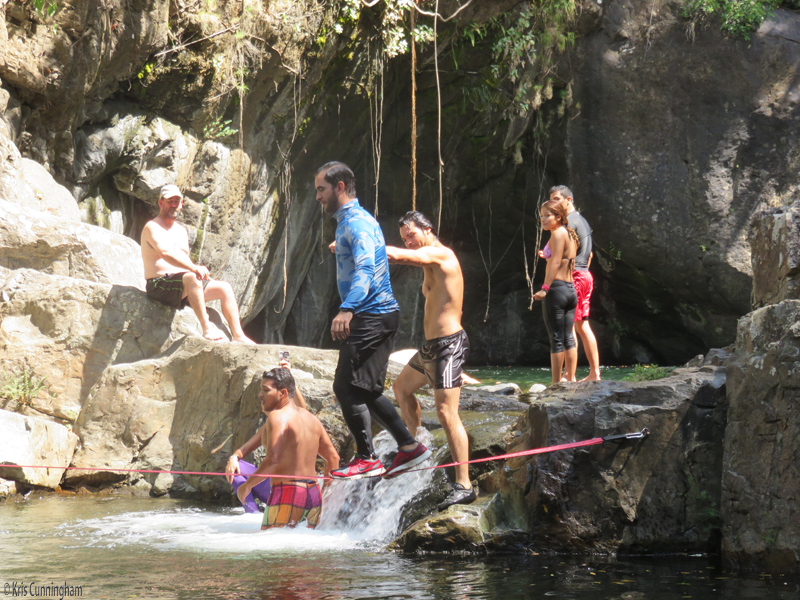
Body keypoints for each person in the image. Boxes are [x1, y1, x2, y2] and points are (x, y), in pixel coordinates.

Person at [314, 161, 430, 479]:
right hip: (378, 314)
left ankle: (367, 458)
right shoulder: (351, 223)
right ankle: (409, 446)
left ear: (340, 187)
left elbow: (366, 267)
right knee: (364, 388)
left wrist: (347, 308)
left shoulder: (356, 223)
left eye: (321, 189)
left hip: (371, 313)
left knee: (346, 385)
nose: (318, 196)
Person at [387, 211, 476, 511]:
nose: (409, 242)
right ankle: (413, 447)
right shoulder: (429, 259)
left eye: (412, 235)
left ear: (428, 229)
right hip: (431, 348)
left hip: (449, 345)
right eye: (404, 239)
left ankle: (464, 484)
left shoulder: (441, 254)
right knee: (401, 389)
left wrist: (361, 244)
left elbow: (399, 257)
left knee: (446, 412)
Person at [227, 367, 339, 530]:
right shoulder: (311, 419)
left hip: (288, 492)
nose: (260, 395)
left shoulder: (278, 416)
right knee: (301, 546)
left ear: (283, 393)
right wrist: (326, 496)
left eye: (266, 390)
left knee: (272, 545)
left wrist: (247, 486)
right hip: (313, 494)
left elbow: (273, 460)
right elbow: (333, 458)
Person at [141, 184, 255, 344]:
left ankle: (238, 335)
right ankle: (206, 328)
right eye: (170, 201)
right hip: (159, 285)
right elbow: (165, 254)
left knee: (224, 288)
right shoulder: (152, 227)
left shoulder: (181, 231)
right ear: (161, 203)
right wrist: (194, 269)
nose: (174, 205)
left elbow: (184, 259)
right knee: (192, 278)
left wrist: (203, 277)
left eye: (177, 201)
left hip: (183, 286)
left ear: (181, 204)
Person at [225, 360, 307, 513]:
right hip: (271, 487)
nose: (260, 396)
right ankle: (252, 515)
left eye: (265, 392)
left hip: (290, 489)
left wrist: (289, 379)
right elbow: (243, 450)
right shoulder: (265, 428)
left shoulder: (293, 420)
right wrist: (233, 458)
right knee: (235, 467)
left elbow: (303, 410)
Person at [549, 185, 601, 381]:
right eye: (551, 200)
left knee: (569, 327)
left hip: (575, 276)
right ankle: (594, 373)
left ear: (568, 200)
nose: (553, 203)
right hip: (585, 274)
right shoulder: (582, 220)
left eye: (556, 199)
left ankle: (569, 375)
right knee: (582, 326)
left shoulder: (569, 221)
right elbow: (590, 254)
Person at [533, 200, 580, 384]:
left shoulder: (557, 234)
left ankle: (556, 384)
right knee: (568, 337)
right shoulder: (569, 233)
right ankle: (571, 379)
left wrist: (545, 288)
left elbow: (557, 262)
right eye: (541, 216)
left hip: (557, 290)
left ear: (558, 217)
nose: (543, 219)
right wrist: (547, 255)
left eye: (547, 215)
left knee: (556, 339)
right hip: (570, 290)